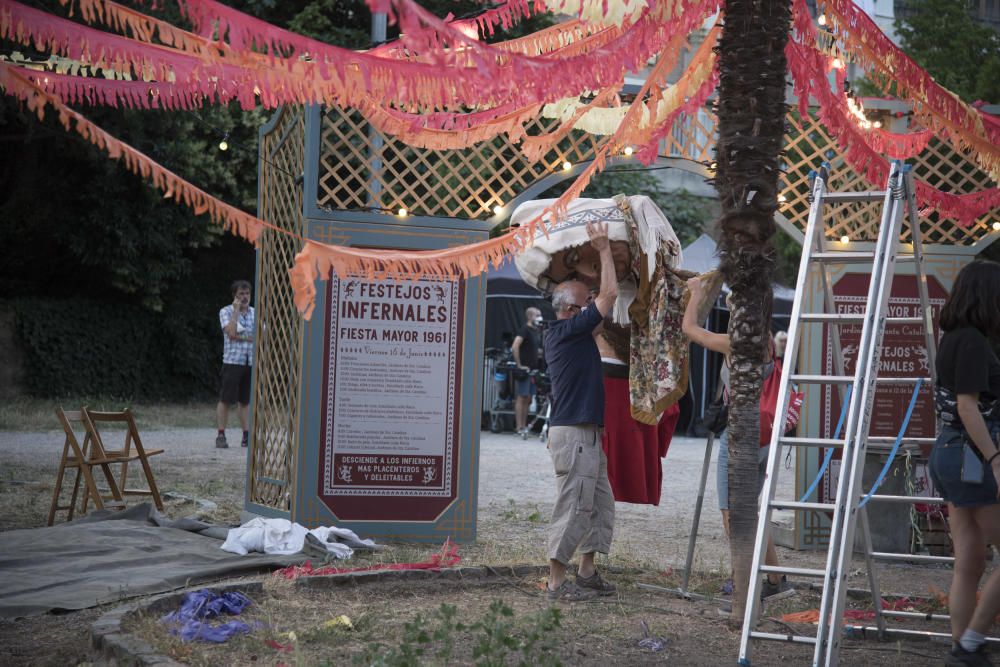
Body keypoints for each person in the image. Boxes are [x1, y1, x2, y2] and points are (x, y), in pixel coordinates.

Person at [682, 276, 795, 602]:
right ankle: (776, 580)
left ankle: (744, 584)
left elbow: (690, 329)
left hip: (741, 435)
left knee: (733, 514)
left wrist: (696, 294)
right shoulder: (767, 340)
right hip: (763, 435)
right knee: (752, 512)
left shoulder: (737, 342)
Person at [928, 260, 1000, 667]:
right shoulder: (972, 340)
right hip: (971, 457)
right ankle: (971, 642)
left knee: (970, 559)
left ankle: (962, 647)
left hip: (949, 453)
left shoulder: (953, 337)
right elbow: (968, 408)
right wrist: (995, 458)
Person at [542, 220, 618, 602]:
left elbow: (602, 309)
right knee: (574, 505)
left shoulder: (572, 333)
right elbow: (609, 296)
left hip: (584, 433)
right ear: (572, 310)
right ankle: (556, 582)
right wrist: (604, 249)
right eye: (585, 302)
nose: (593, 305)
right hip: (574, 434)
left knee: (600, 504)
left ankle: (586, 573)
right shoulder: (566, 332)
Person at [216, 280, 255, 449]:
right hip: (233, 361)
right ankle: (221, 434)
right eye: (241, 294)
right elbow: (231, 333)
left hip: (250, 361)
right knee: (225, 399)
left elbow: (263, 336)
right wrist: (236, 312)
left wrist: (243, 336)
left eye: (247, 294)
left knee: (245, 401)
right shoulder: (226, 311)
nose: (245, 297)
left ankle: (246, 435)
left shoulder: (256, 312)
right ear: (235, 296)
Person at [511, 307, 543, 436]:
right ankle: (519, 427)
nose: (540, 317)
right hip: (525, 370)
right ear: (530, 316)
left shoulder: (536, 330)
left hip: (533, 370)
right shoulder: (525, 329)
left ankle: (524, 426)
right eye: (537, 315)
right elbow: (515, 345)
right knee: (522, 397)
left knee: (528, 398)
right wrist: (519, 365)